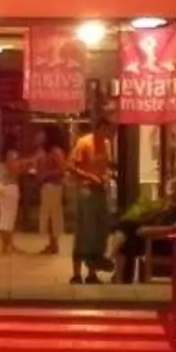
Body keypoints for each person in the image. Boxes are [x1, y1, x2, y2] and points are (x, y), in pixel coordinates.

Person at [66, 122, 114, 286]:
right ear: (98, 128)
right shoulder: (84, 143)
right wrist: (89, 176)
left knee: (98, 232)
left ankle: (92, 273)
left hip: (100, 191)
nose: (107, 134)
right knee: (84, 231)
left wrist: (106, 177)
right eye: (106, 129)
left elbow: (106, 166)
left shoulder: (107, 144)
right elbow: (71, 166)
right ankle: (76, 274)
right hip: (86, 191)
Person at [33, 125, 69, 259]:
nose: (40, 136)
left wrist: (46, 175)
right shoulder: (44, 151)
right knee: (48, 216)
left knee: (53, 216)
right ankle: (51, 242)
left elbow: (62, 169)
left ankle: (54, 244)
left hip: (53, 187)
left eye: (42, 133)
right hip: (46, 187)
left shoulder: (55, 151)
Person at [0, 146, 24, 254]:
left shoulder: (2, 155)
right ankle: (7, 245)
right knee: (8, 217)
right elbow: (14, 171)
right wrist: (24, 167)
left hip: (2, 184)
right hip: (9, 185)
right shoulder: (11, 153)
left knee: (4, 215)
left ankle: (7, 244)